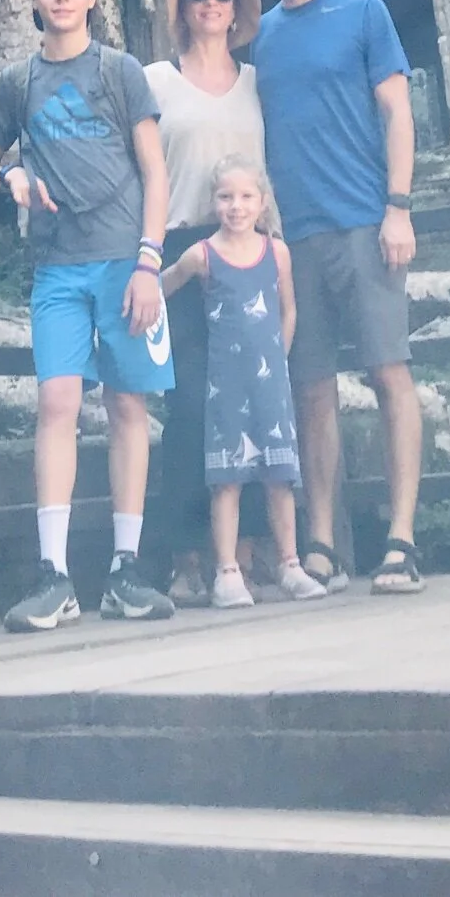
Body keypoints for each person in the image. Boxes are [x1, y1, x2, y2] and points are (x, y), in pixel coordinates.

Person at [0, 0, 177, 632]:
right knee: (56, 398)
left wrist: (150, 262)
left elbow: (155, 171)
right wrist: (11, 177)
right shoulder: (16, 82)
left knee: (126, 405)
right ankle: (52, 573)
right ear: (32, 0)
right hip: (56, 265)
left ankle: (125, 567)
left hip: (124, 261)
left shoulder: (119, 73)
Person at [252, 0, 423, 595]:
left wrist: (398, 207)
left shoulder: (362, 11)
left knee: (388, 374)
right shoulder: (256, 36)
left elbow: (397, 111)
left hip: (362, 219)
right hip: (293, 236)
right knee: (310, 389)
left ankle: (401, 539)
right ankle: (321, 543)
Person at [142, 0, 265, 602]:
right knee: (187, 406)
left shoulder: (257, 83)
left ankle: (243, 552)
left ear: (236, 5)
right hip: (183, 249)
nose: (211, 2)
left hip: (250, 250)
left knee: (245, 405)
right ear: (181, 6)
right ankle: (185, 556)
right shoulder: (154, 82)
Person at [161, 155, 327, 608]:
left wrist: (279, 351)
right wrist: (159, 279)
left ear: (262, 202)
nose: (236, 206)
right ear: (213, 202)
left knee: (278, 474)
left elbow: (288, 307)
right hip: (224, 383)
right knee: (226, 477)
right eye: (226, 197)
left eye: (246, 197)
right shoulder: (203, 255)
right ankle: (227, 571)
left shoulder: (277, 252)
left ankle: (290, 563)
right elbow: (162, 286)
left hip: (269, 381)